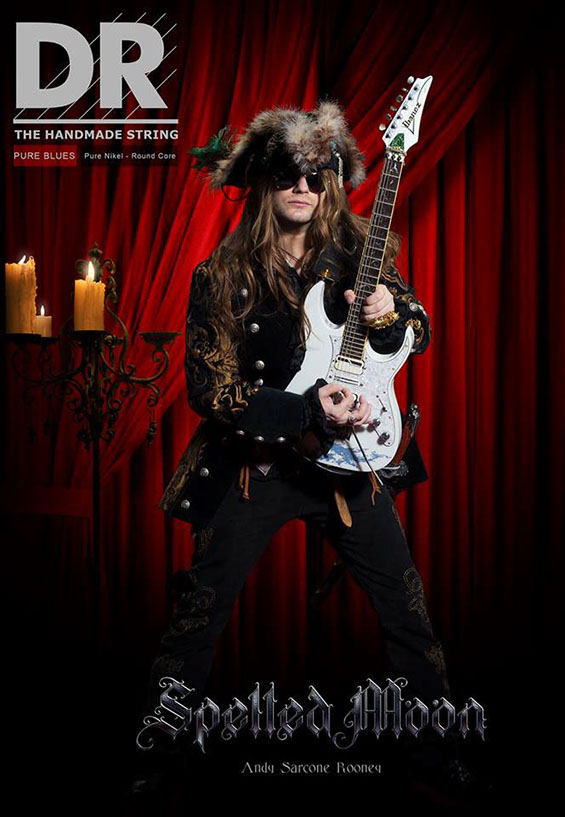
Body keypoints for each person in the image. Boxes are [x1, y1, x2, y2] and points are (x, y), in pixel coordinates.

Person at [131, 100, 488, 805]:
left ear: (331, 183)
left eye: (317, 175)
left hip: (349, 464)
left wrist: (391, 315)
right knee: (197, 616)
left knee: (407, 611)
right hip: (256, 465)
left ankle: (437, 751)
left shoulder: (360, 250)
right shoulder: (220, 272)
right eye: (289, 173)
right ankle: (159, 757)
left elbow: (417, 329)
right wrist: (302, 410)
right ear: (264, 181)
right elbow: (209, 387)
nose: (303, 186)